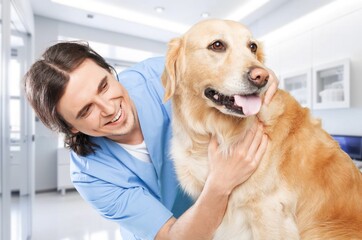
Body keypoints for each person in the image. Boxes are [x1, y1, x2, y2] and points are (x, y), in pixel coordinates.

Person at [24, 41, 278, 240]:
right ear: (71, 128)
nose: (109, 109)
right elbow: (171, 235)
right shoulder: (92, 176)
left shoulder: (163, 75)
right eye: (86, 110)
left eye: (103, 86)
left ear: (110, 72)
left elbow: (235, 74)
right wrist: (220, 183)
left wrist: (256, 78)